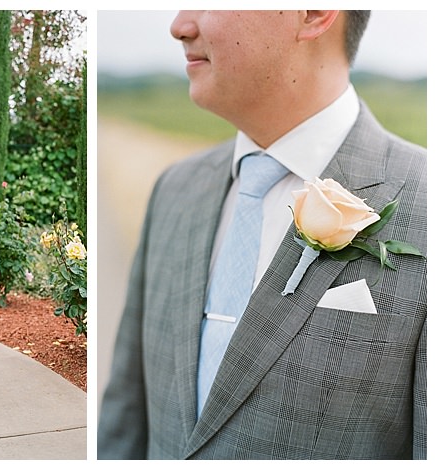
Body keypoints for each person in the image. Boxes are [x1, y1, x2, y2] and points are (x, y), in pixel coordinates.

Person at [98, 11, 426, 459]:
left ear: (311, 12)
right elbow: (125, 418)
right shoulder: (175, 189)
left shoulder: (425, 203)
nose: (179, 25)